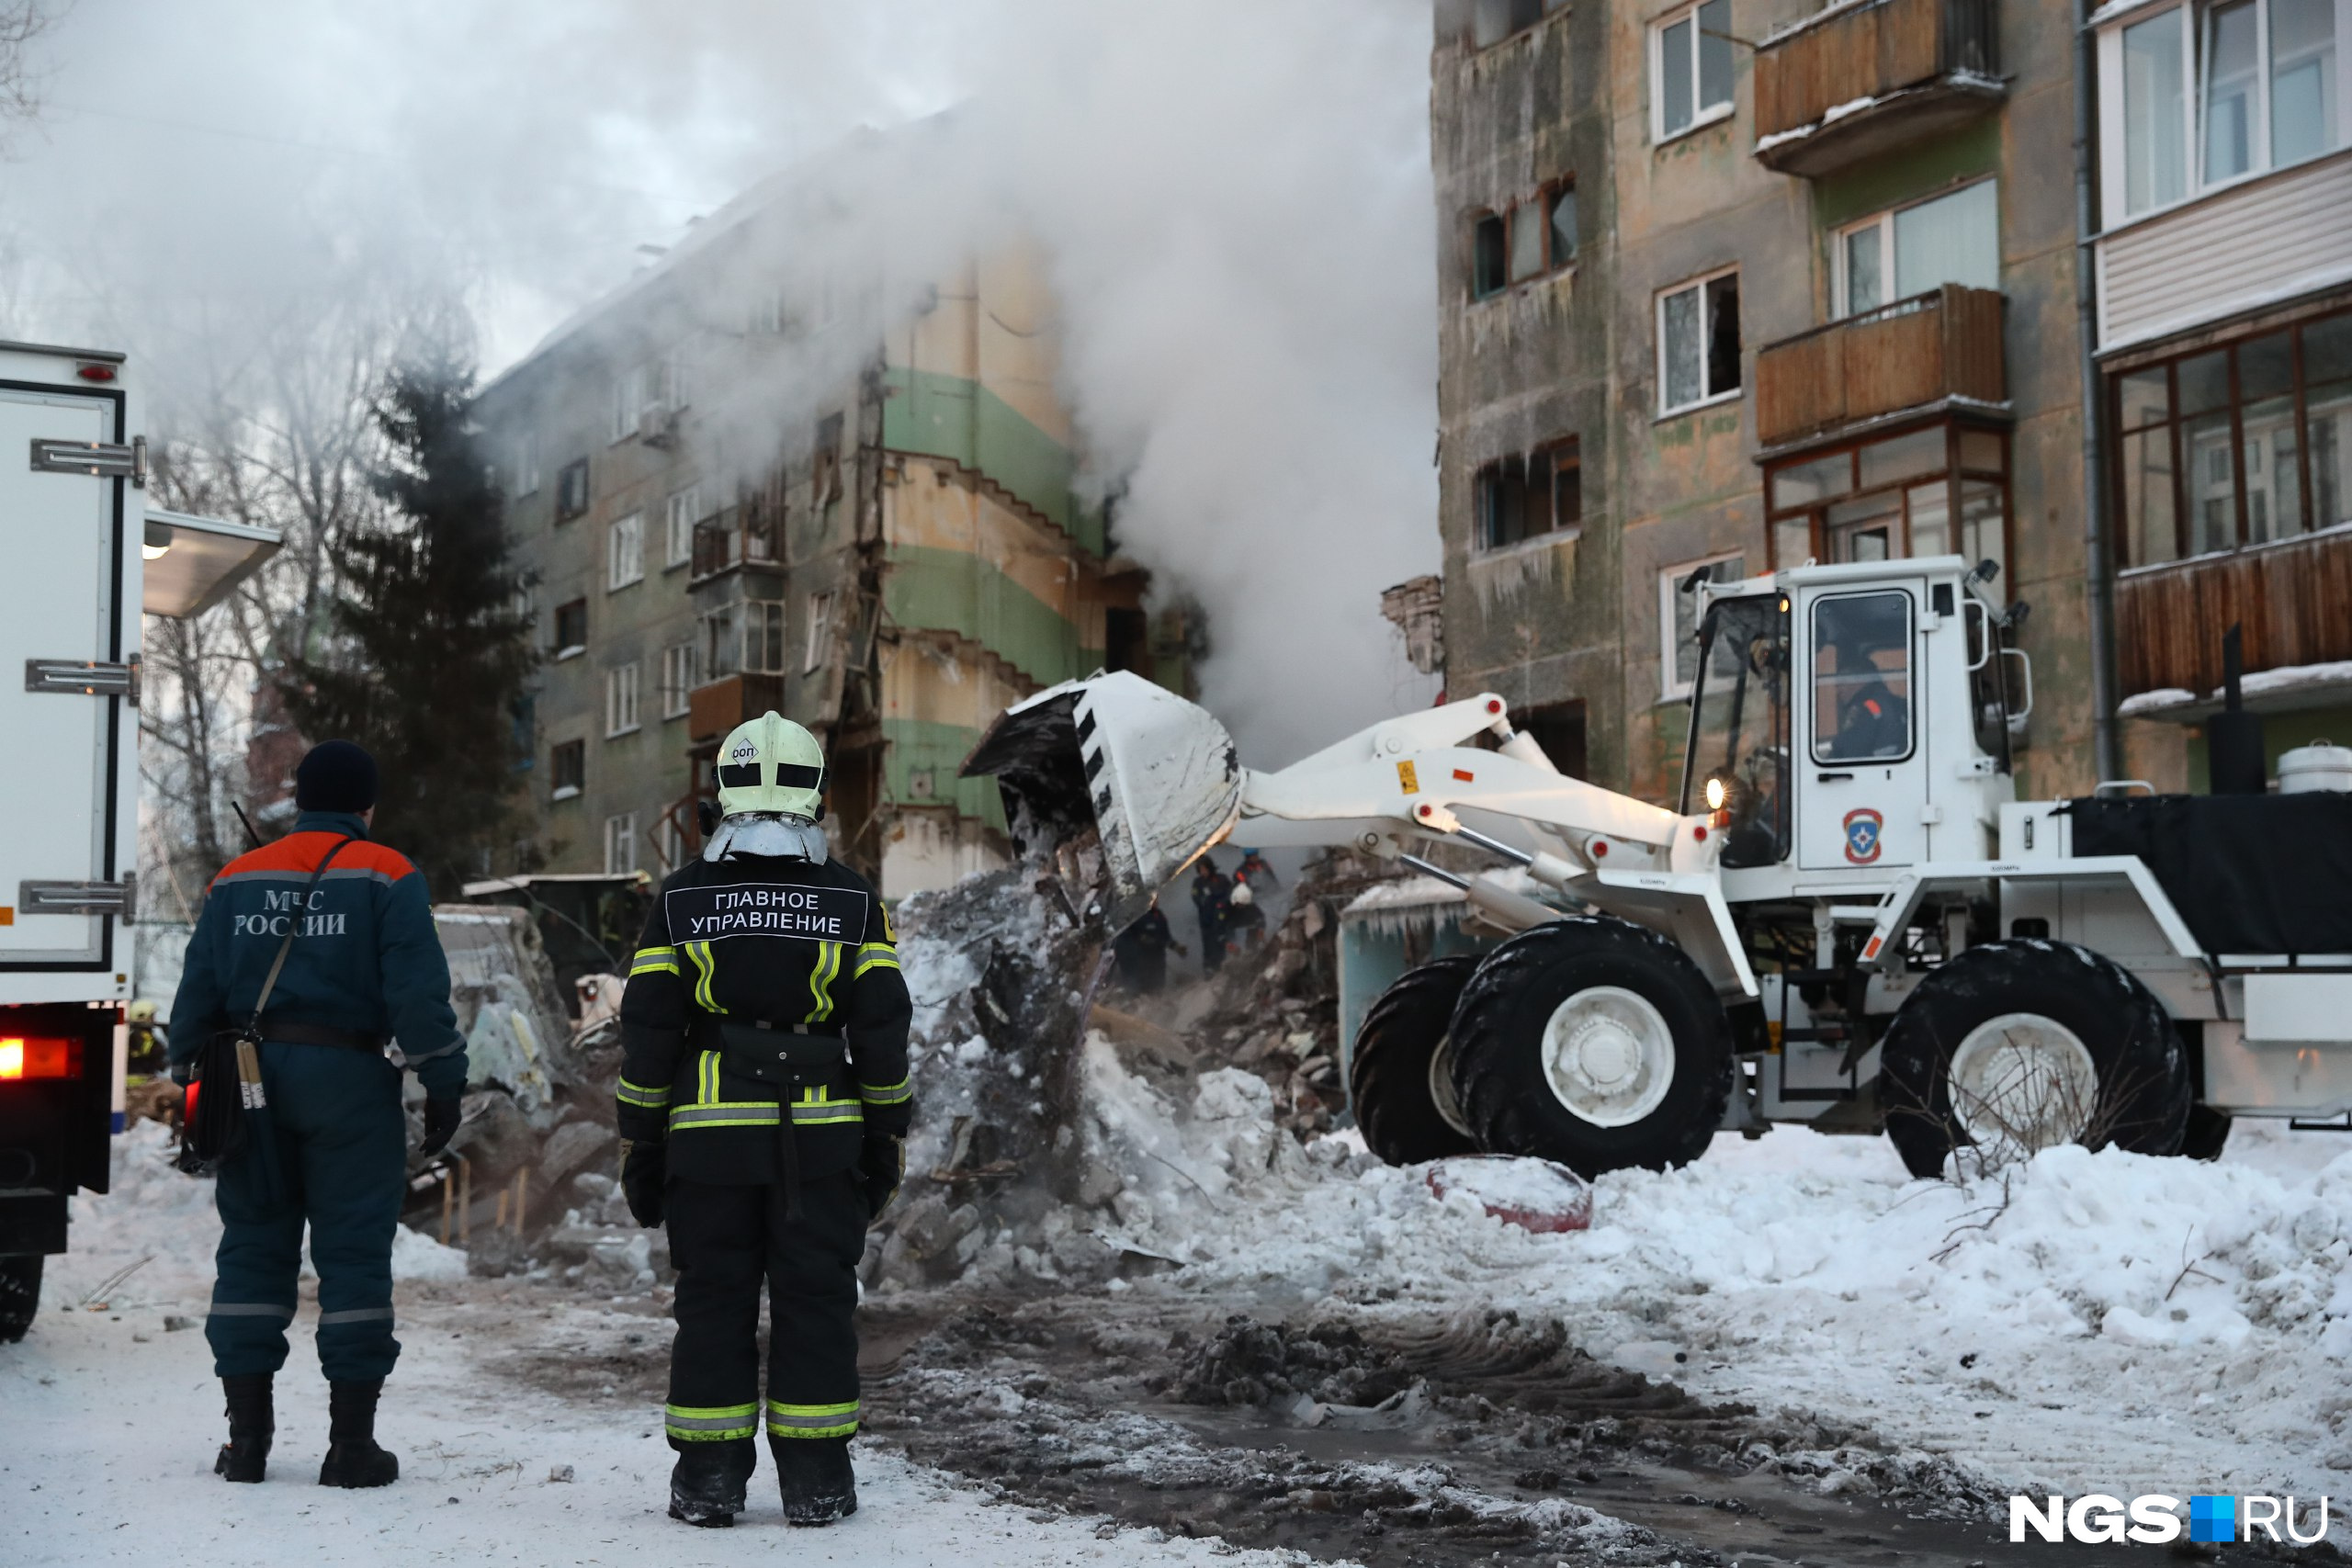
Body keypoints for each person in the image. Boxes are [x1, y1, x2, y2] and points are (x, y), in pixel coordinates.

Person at [614, 712, 912, 1529]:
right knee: (817, 1299)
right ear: (814, 795)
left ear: (724, 794)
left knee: (712, 1299)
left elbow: (647, 1035)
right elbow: (882, 1034)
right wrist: (886, 1136)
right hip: (820, 1144)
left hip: (705, 1141)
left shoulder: (680, 900)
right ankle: (817, 1478)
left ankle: (708, 1478)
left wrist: (640, 1143)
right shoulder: (853, 901)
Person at [167, 740, 468, 1488]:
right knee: (354, 1256)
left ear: (299, 799)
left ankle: (247, 1444)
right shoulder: (388, 874)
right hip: (351, 1083)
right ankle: (351, 1447)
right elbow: (419, 995)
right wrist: (444, 1081)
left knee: (253, 1248)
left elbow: (196, 991)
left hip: (247, 1080)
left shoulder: (235, 877)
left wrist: (187, 1083)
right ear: (367, 805)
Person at [1112, 902, 1179, 994]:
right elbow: (1132, 934)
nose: (1155, 902)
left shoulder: (1159, 915)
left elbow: (1166, 935)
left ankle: (1158, 997)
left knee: (1159, 980)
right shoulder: (1138, 916)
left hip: (1158, 954)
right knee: (1144, 981)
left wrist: (1175, 946)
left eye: (1156, 900)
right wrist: (1142, 939)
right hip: (1143, 955)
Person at [1191, 857, 1232, 974]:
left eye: (1205, 869)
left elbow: (1230, 891)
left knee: (1222, 941)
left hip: (1222, 917)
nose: (1203, 872)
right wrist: (1203, 900)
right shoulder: (1197, 883)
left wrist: (1223, 902)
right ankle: (1209, 969)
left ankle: (1222, 965)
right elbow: (1195, 897)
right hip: (1206, 919)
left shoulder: (1221, 878)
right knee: (1208, 944)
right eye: (1200, 870)